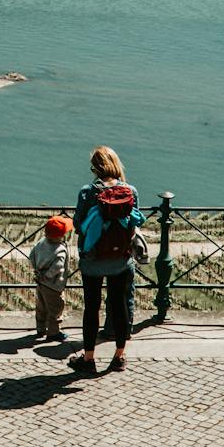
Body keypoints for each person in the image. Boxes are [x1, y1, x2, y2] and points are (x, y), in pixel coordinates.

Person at [68, 145, 142, 374]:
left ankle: (88, 359)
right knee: (119, 305)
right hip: (121, 259)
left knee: (91, 307)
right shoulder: (130, 191)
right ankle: (119, 356)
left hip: (93, 259)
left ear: (96, 168)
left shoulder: (86, 192)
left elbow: (79, 225)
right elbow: (135, 222)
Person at [29, 215, 72, 340]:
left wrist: (37, 271)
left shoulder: (40, 243)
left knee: (41, 307)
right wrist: (47, 276)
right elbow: (58, 267)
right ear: (61, 235)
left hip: (40, 282)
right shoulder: (60, 250)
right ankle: (53, 332)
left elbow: (31, 256)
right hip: (53, 285)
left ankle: (40, 329)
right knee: (55, 309)